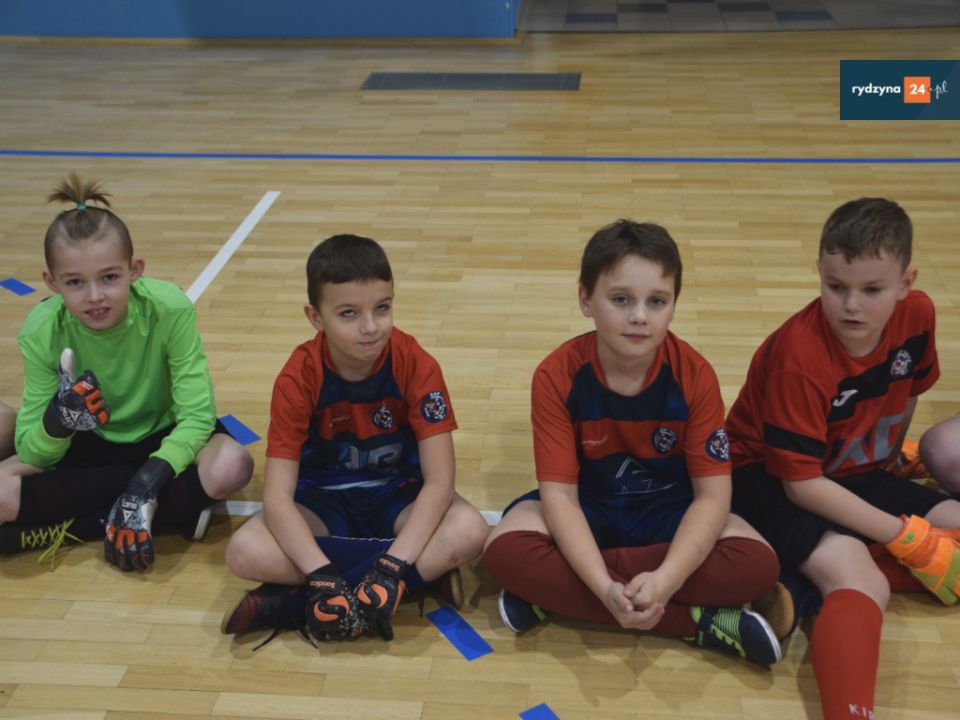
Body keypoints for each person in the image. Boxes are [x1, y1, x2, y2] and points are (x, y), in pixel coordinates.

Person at [481, 219, 789, 666]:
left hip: (667, 511)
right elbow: (561, 498)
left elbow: (712, 497)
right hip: (590, 507)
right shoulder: (556, 375)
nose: (640, 316)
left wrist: (664, 580)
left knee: (757, 562)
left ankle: (556, 596)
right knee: (503, 551)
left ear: (674, 305)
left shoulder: (695, 375)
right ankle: (698, 622)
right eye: (621, 299)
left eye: (657, 301)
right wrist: (608, 587)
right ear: (586, 300)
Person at [726, 197, 960, 720]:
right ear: (819, 273)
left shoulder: (919, 314)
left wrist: (888, 452)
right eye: (836, 287)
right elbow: (801, 486)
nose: (852, 305)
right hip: (764, 477)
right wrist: (907, 537)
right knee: (861, 580)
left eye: (872, 290)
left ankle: (802, 579)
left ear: (906, 282)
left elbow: (910, 388)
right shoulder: (800, 357)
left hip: (852, 468)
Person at [221, 233, 489, 645]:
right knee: (244, 551)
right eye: (349, 313)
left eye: (382, 308)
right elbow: (276, 498)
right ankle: (415, 579)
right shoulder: (298, 377)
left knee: (470, 530)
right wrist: (322, 575)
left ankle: (296, 603)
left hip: (397, 495)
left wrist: (391, 567)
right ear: (315, 317)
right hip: (321, 502)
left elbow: (439, 482)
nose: (371, 327)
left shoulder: (416, 364)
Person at [0, 174, 253, 570]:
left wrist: (146, 481)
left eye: (109, 277)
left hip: (164, 437)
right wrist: (58, 422)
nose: (95, 296)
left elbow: (197, 415)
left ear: (134, 270)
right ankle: (166, 511)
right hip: (89, 445)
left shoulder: (169, 309)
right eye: (75, 282)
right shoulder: (41, 331)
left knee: (233, 464)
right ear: (52, 282)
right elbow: (32, 448)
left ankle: (76, 525)